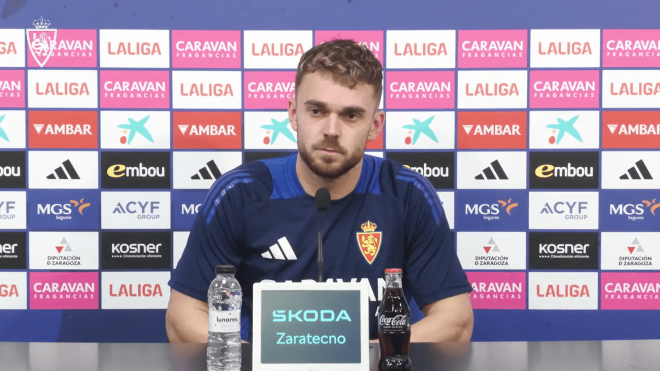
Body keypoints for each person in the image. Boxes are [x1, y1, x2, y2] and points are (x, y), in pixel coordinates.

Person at [166, 39, 474, 343]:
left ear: (375, 125)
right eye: (316, 110)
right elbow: (183, 317)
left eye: (351, 115)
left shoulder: (407, 194)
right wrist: (258, 361)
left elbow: (455, 321)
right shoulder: (240, 193)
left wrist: (357, 358)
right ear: (293, 114)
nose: (331, 130)